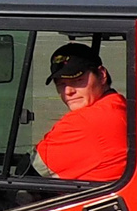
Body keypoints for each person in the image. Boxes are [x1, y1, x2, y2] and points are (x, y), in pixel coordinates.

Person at [33, 42, 129, 182]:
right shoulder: (119, 106)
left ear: (102, 75)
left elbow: (28, 172)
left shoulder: (87, 121)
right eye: (61, 84)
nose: (68, 91)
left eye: (78, 80)